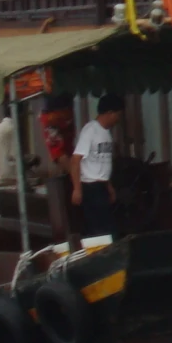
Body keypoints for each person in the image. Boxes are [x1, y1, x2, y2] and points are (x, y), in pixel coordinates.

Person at [71, 95, 125, 243]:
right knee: (101, 230)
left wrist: (109, 186)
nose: (118, 119)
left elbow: (103, 163)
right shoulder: (90, 130)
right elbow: (76, 160)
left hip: (102, 185)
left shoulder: (106, 133)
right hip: (91, 187)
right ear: (109, 113)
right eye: (117, 115)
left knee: (106, 228)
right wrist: (77, 189)